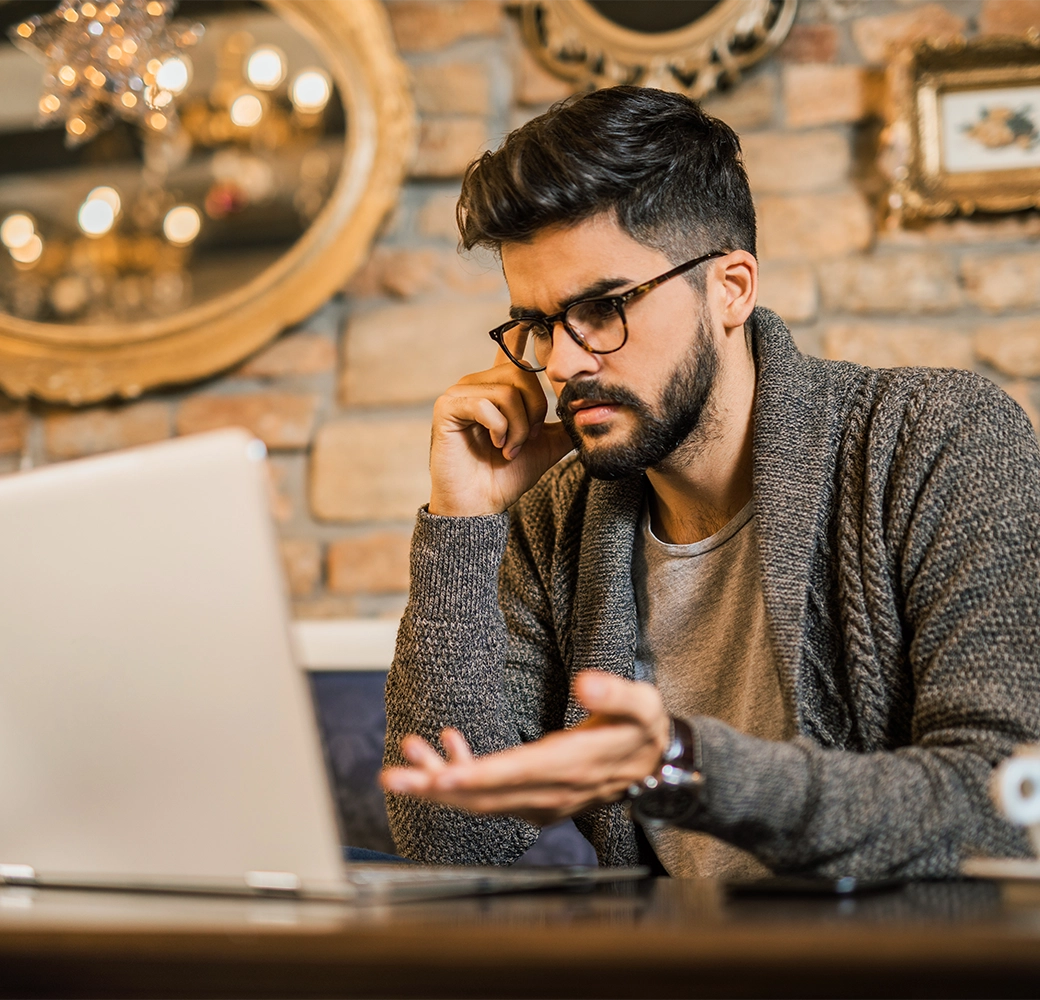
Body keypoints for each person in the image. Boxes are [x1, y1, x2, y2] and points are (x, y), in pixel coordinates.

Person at [380, 86, 1040, 878]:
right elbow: (450, 843)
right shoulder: (558, 514)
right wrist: (463, 521)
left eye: (605, 306)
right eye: (541, 322)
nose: (561, 363)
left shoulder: (936, 439)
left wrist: (686, 767)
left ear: (730, 288)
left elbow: (1004, 803)